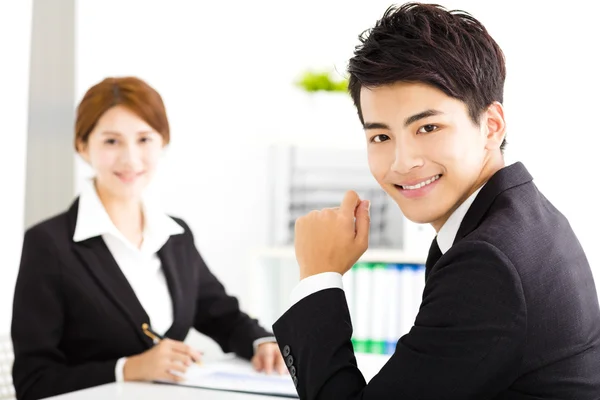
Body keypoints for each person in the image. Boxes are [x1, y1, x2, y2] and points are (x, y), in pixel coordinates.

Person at [272, 3, 600, 399]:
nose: (402, 161)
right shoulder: (520, 217)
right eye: (380, 136)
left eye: (428, 127)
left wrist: (318, 277)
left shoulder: (488, 263)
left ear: (491, 126)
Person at [11, 76, 285, 400]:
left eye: (144, 139)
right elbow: (33, 381)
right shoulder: (49, 244)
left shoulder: (175, 234)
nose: (131, 159)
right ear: (83, 146)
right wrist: (128, 368)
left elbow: (220, 313)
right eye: (111, 142)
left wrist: (262, 342)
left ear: (162, 142)